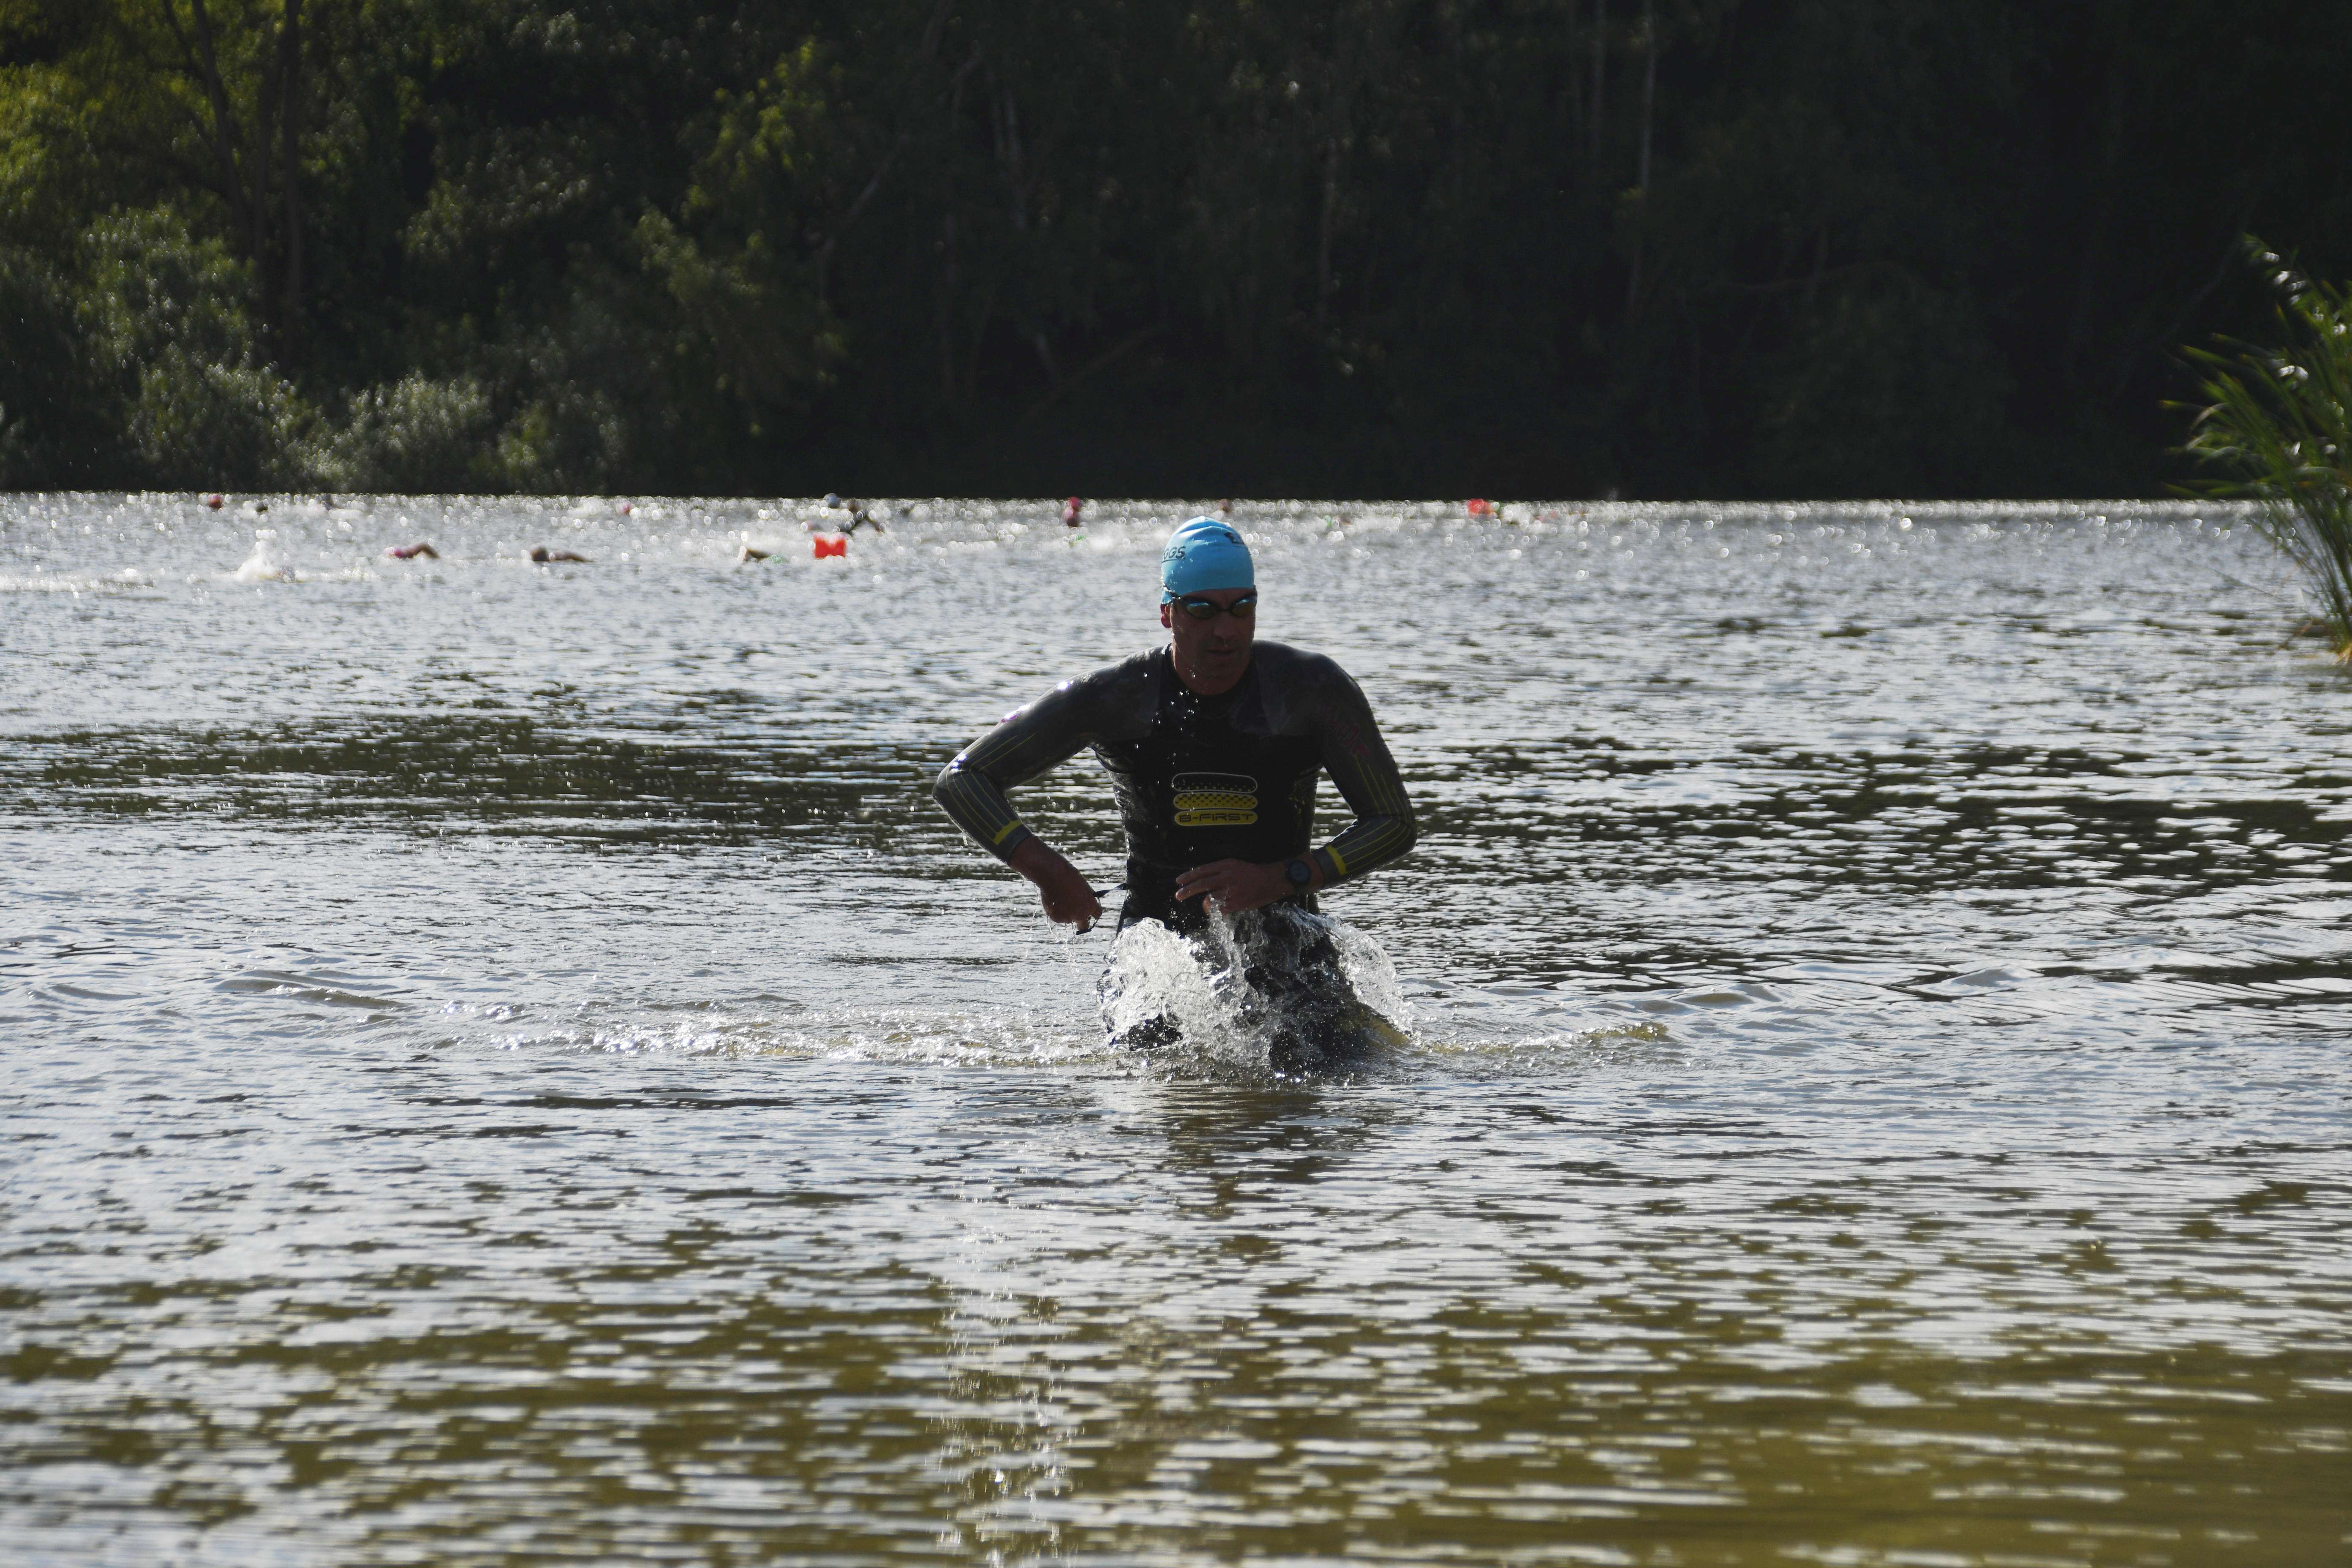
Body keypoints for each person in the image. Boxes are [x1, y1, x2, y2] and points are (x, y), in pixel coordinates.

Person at [934, 516, 1416, 1067]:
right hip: (1158, 954)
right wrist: (1049, 871)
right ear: (1168, 613)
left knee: (1351, 1073)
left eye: (1241, 608)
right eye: (1203, 610)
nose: (1225, 631)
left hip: (1287, 942)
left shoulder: (1310, 692)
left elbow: (1393, 822)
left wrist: (1284, 877)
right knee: (1155, 1080)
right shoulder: (1117, 698)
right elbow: (963, 779)